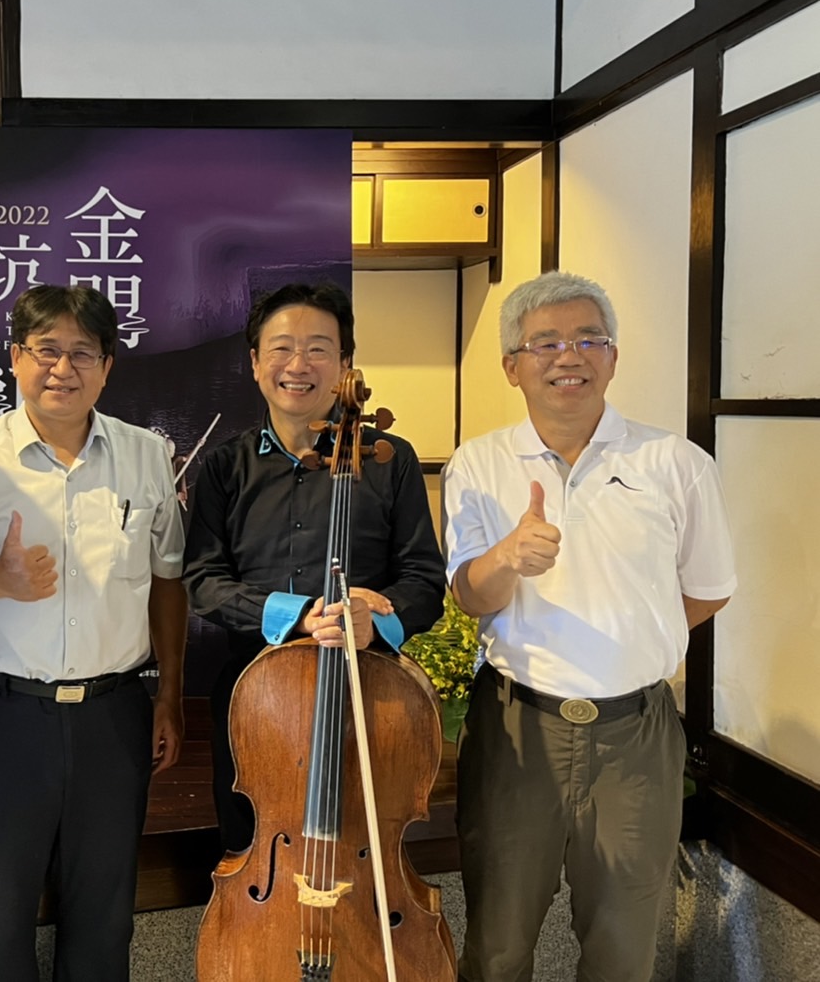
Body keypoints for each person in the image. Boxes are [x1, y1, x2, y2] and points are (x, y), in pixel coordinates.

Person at [442, 270, 736, 982]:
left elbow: (705, 593)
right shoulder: (479, 463)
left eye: (587, 339)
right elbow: (469, 596)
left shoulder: (676, 464)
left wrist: (633, 645)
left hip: (635, 738)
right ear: (512, 366)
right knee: (499, 943)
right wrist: (508, 558)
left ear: (612, 357)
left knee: (624, 948)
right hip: (517, 730)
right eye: (544, 343)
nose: (567, 356)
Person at [0, 284, 187, 982]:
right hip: (1, 715)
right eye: (46, 350)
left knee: (105, 916)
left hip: (115, 715)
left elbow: (168, 578)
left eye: (82, 353)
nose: (63, 368)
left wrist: (170, 697)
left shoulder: (148, 455)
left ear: (108, 366)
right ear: (15, 358)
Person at [183, 282, 447, 852]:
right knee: (251, 845)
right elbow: (203, 582)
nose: (297, 365)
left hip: (367, 696)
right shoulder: (225, 467)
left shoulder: (390, 459)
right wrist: (300, 615)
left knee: (364, 843)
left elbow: (424, 581)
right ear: (254, 363)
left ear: (346, 363)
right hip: (253, 702)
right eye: (280, 348)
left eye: (318, 349)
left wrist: (375, 621)